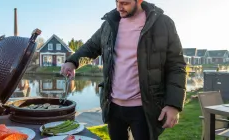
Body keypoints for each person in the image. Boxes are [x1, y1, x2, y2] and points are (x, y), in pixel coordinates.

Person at [60, 0, 187, 139]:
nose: (119, 7)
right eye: (117, 2)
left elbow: (176, 65)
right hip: (113, 106)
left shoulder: (162, 24)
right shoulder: (109, 23)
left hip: (144, 108)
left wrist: (173, 105)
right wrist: (72, 62)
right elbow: (90, 47)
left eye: (125, 3)